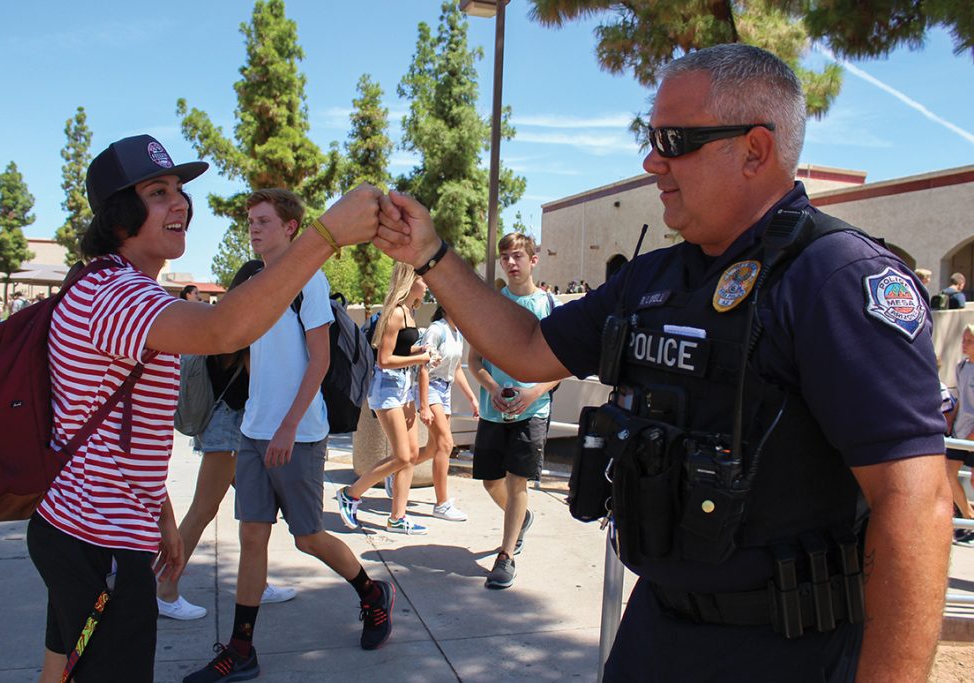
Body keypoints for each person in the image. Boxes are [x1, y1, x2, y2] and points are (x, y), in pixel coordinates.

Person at [372, 43, 951, 682]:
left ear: (755, 150)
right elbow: (530, 349)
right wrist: (430, 253)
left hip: (786, 649)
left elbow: (914, 503)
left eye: (674, 140)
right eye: (651, 140)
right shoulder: (657, 277)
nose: (653, 161)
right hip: (658, 630)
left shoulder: (836, 279)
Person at [26, 133, 384, 683]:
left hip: (93, 529)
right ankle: (247, 644)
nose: (181, 204)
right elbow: (222, 331)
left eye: (179, 190)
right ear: (120, 215)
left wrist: (161, 514)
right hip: (97, 541)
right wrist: (327, 233)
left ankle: (313, 615)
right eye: (158, 192)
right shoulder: (117, 295)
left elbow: (115, 435)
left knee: (61, 672)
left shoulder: (114, 286)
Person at [184, 188, 395, 683]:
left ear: (291, 228)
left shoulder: (309, 281)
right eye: (250, 220)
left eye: (263, 220)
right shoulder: (256, 281)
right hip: (254, 432)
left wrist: (285, 425)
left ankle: (372, 593)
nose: (253, 227)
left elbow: (319, 361)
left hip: (297, 434)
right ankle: (241, 649)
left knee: (308, 537)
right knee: (252, 536)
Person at [156, 260, 297, 621]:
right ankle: (164, 588)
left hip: (232, 425)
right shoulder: (244, 325)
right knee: (203, 510)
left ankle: (257, 583)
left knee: (257, 510)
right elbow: (259, 378)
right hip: (231, 428)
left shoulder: (229, 318)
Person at [467, 232, 558, 589]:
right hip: (493, 409)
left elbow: (561, 365)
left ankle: (505, 557)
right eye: (505, 257)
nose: (511, 263)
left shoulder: (548, 306)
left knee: (517, 480)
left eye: (518, 256)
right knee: (492, 481)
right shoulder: (490, 305)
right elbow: (473, 362)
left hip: (533, 409)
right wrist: (492, 388)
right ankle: (521, 520)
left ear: (534, 260)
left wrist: (532, 392)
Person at [336, 262, 435, 535]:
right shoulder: (395, 313)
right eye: (422, 279)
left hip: (404, 388)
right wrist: (421, 357)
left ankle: (397, 517)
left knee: (411, 454)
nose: (426, 284)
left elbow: (402, 347)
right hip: (388, 389)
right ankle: (351, 494)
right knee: (402, 455)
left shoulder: (409, 311)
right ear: (410, 280)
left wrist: (420, 350)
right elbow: (385, 359)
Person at [413, 305, 480, 521]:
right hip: (429, 387)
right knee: (445, 444)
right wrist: (423, 405)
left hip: (445, 389)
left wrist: (471, 397)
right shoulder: (436, 330)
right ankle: (441, 504)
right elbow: (423, 366)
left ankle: (396, 470)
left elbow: (457, 367)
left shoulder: (456, 332)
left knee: (434, 447)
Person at [948, 324, 974, 544]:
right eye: (964, 339)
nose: (964, 344)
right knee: (949, 474)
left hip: (972, 435)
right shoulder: (961, 366)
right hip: (959, 431)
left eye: (969, 341)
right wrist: (950, 422)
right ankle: (969, 518)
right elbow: (960, 400)